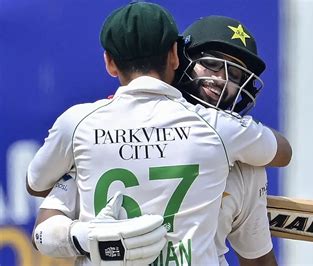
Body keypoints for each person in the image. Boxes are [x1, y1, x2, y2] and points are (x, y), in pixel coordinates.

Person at [26, 3, 291, 266]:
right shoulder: (230, 136)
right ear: (176, 57)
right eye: (210, 65)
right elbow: (283, 151)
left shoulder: (86, 132)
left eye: (234, 74)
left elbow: (38, 195)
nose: (221, 81)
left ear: (109, 62)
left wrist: (87, 236)